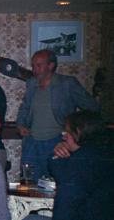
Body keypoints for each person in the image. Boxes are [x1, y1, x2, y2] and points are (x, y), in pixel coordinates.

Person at [16, 49, 99, 181]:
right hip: (32, 142)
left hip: (57, 141)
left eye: (39, 65)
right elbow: (24, 107)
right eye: (33, 65)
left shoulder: (67, 84)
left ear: (51, 65)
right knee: (28, 181)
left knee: (55, 182)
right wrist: (20, 125)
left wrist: (75, 130)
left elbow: (92, 107)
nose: (34, 69)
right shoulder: (31, 83)